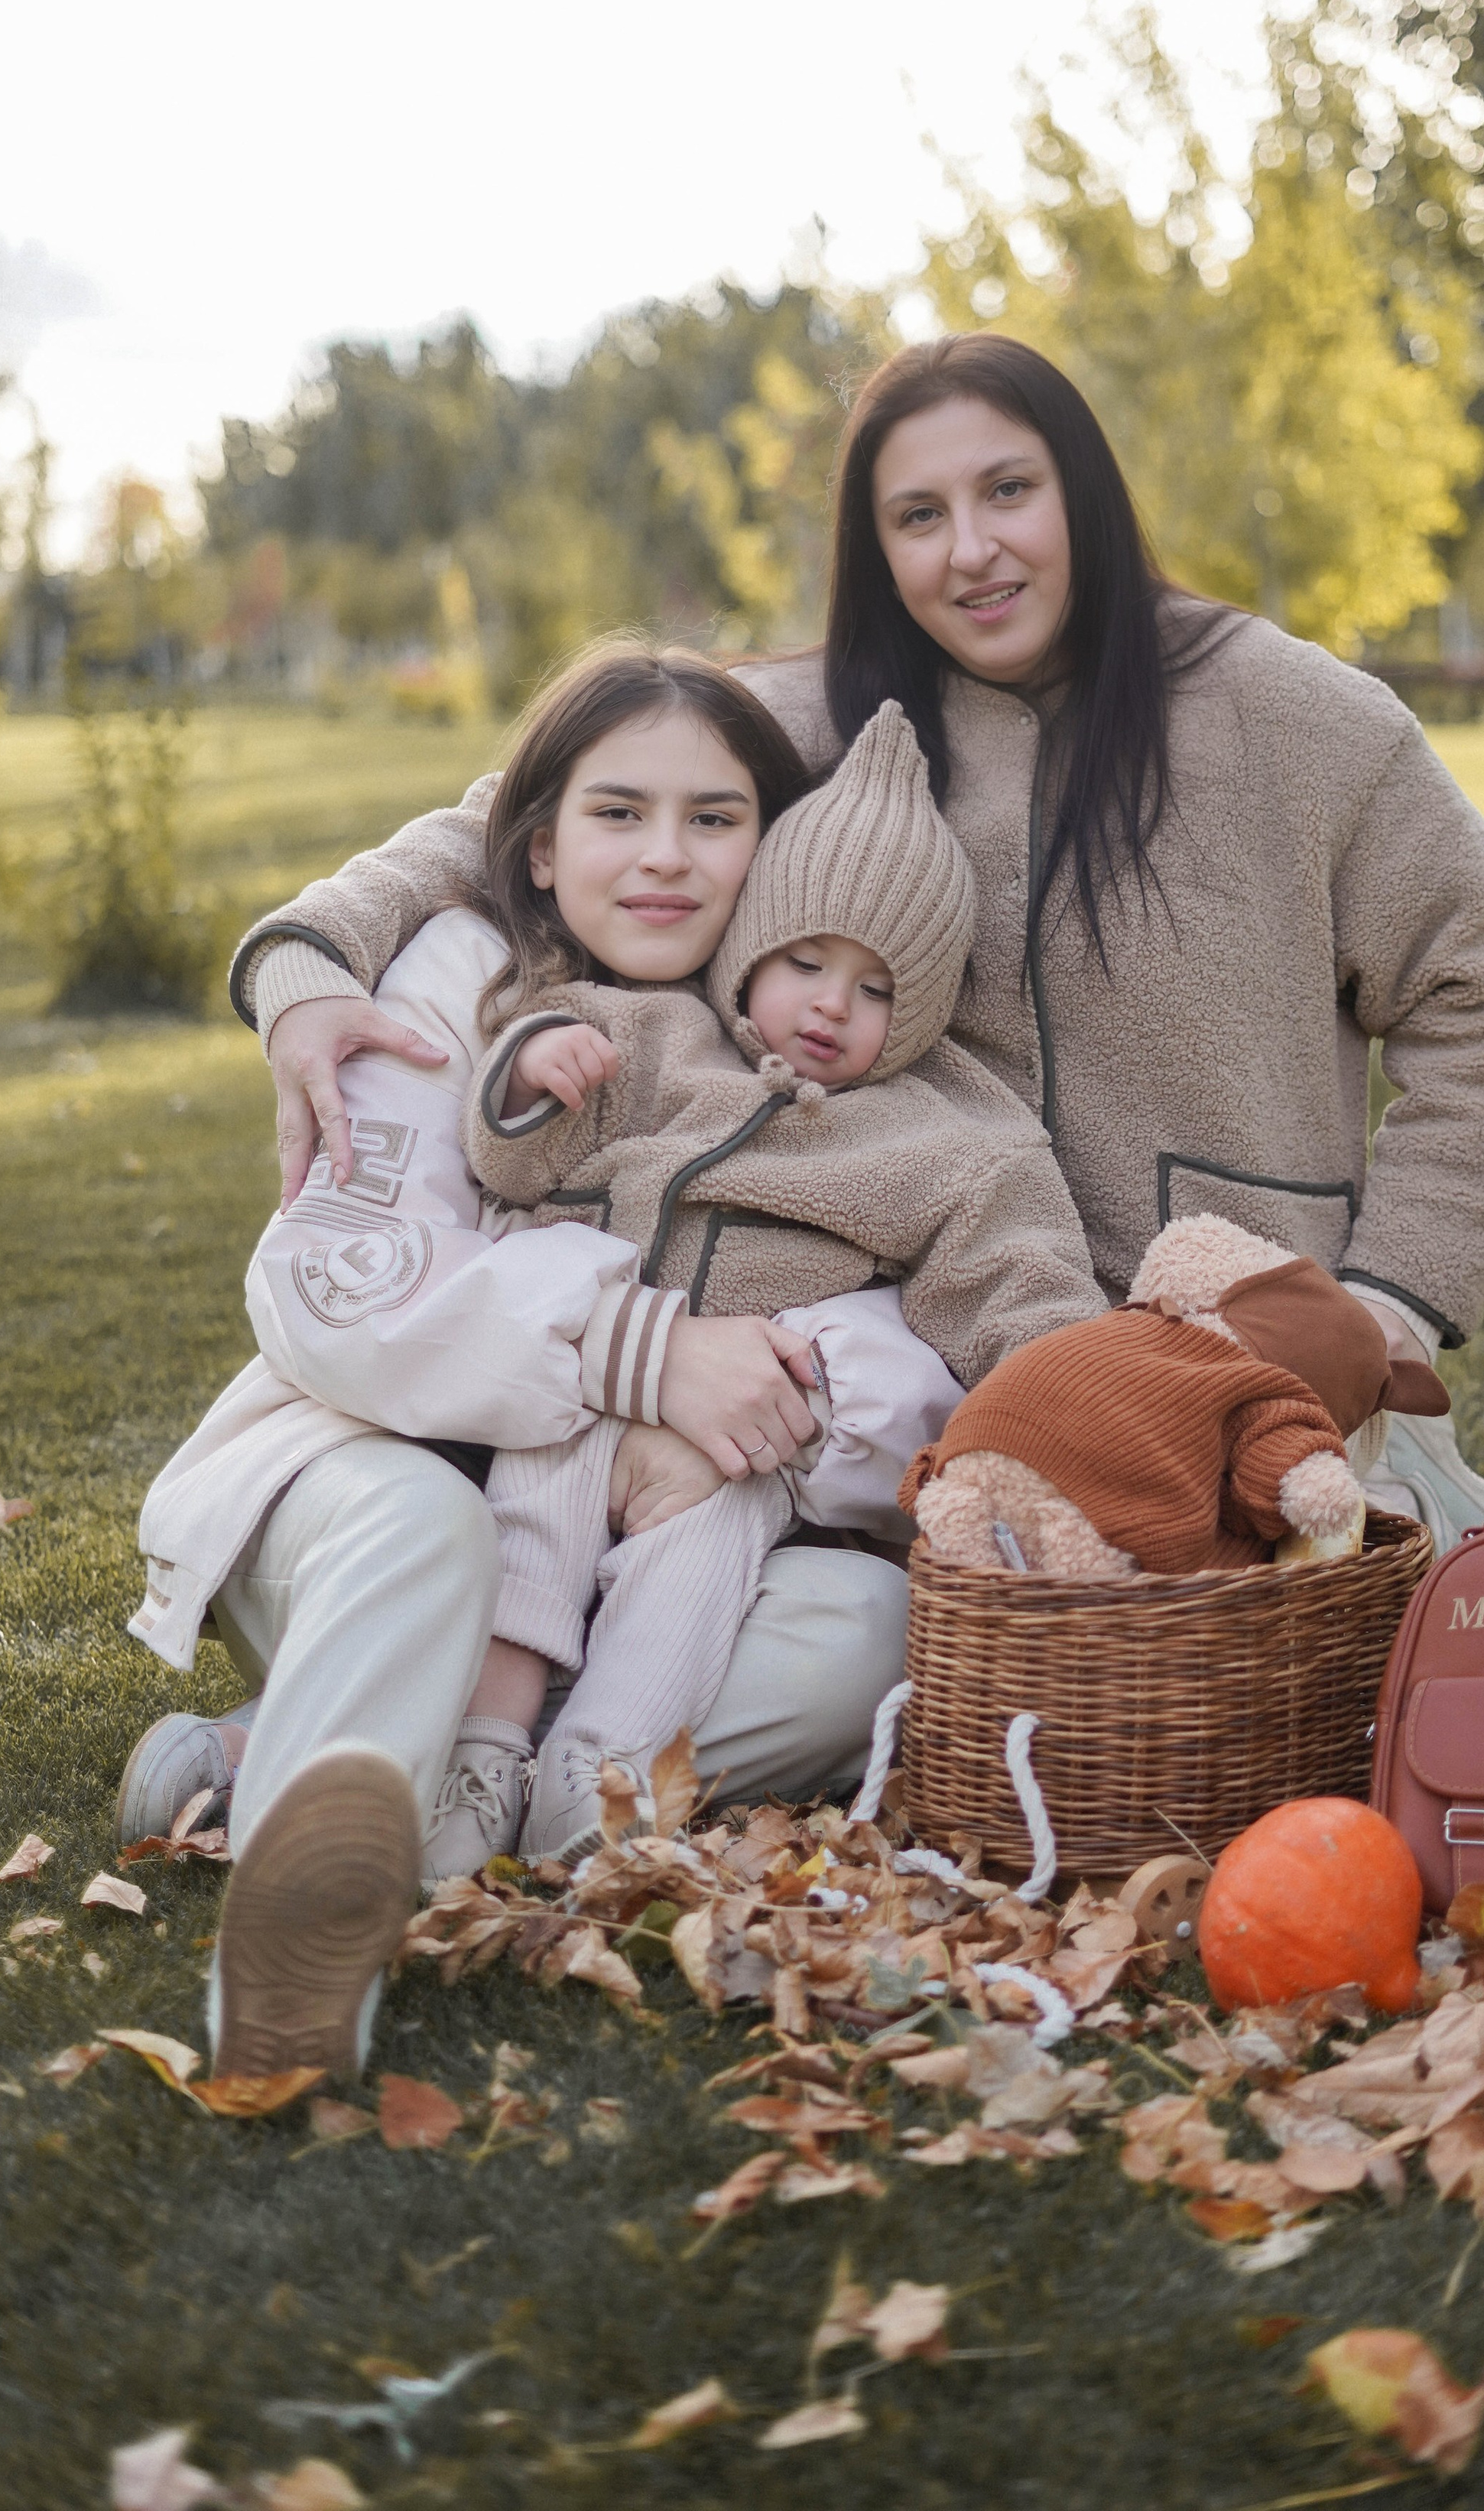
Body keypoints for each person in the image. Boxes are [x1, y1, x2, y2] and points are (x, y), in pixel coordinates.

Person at [245, 334, 1484, 1548]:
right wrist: (306, 964)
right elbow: (512, 816)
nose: (971, 551)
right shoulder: (823, 721)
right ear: (877, 547)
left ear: (1086, 497)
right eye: (919, 517)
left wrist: (1390, 1298)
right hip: (934, 1381)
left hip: (1234, 1373)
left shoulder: (1300, 721)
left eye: (1011, 492)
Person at [127, 646, 964, 2078]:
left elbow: (899, 1344)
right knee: (433, 1531)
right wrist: (647, 1358)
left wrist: (764, 1383)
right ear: (541, 839)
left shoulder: (797, 1024)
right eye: (619, 813)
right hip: (366, 1477)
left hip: (644, 1550)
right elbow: (343, 1292)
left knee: (860, 1637)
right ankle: (310, 1926)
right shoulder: (461, 976)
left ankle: (366, 1756)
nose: (666, 860)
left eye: (716, 819)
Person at [456, 691, 1101, 1867]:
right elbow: (514, 1157)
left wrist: (1081, 1397)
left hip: (747, 1452)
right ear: (753, 945)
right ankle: (483, 1752)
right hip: (589, 1385)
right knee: (530, 1517)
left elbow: (1021, 1283)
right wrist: (527, 1072)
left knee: (686, 1587)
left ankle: (592, 1786)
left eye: (877, 990)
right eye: (804, 962)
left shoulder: (943, 1134)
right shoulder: (643, 1036)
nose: (829, 1007)